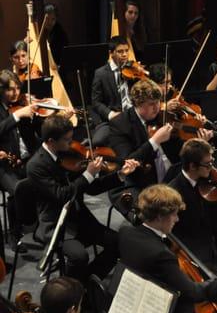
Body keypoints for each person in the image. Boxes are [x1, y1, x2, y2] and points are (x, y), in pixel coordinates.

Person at [26, 114, 139, 281]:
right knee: (79, 257)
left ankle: (86, 283)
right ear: (51, 141)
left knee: (117, 243)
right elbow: (61, 195)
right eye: (66, 140)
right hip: (57, 225)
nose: (71, 143)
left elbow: (91, 188)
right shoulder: (36, 166)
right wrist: (87, 174)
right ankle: (72, 290)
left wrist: (120, 175)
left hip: (80, 218)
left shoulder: (67, 154)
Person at [119, 184, 217, 313]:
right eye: (174, 214)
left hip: (139, 307)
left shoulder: (126, 233)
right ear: (160, 216)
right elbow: (193, 293)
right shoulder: (162, 255)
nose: (177, 219)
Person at [108, 80, 180, 215]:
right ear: (138, 104)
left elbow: (179, 151)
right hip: (141, 181)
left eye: (158, 102)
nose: (157, 107)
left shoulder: (163, 118)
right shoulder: (120, 124)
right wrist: (154, 141)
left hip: (171, 177)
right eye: (151, 104)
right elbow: (128, 161)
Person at [168, 138, 217, 265]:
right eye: (207, 164)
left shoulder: (209, 181)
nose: (212, 167)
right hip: (193, 251)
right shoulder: (174, 193)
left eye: (212, 161)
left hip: (216, 242)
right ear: (192, 166)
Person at [0, 70, 40, 252]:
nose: (15, 93)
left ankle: (42, 227)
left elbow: (35, 132)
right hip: (4, 164)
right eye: (10, 90)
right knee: (17, 190)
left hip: (26, 158)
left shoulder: (21, 103)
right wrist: (16, 116)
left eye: (17, 88)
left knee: (51, 178)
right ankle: (14, 234)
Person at [90, 35, 133, 146]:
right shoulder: (101, 73)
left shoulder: (133, 70)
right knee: (97, 141)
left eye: (126, 51)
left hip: (133, 115)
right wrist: (110, 114)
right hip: (114, 119)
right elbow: (96, 102)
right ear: (111, 53)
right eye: (120, 51)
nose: (125, 54)